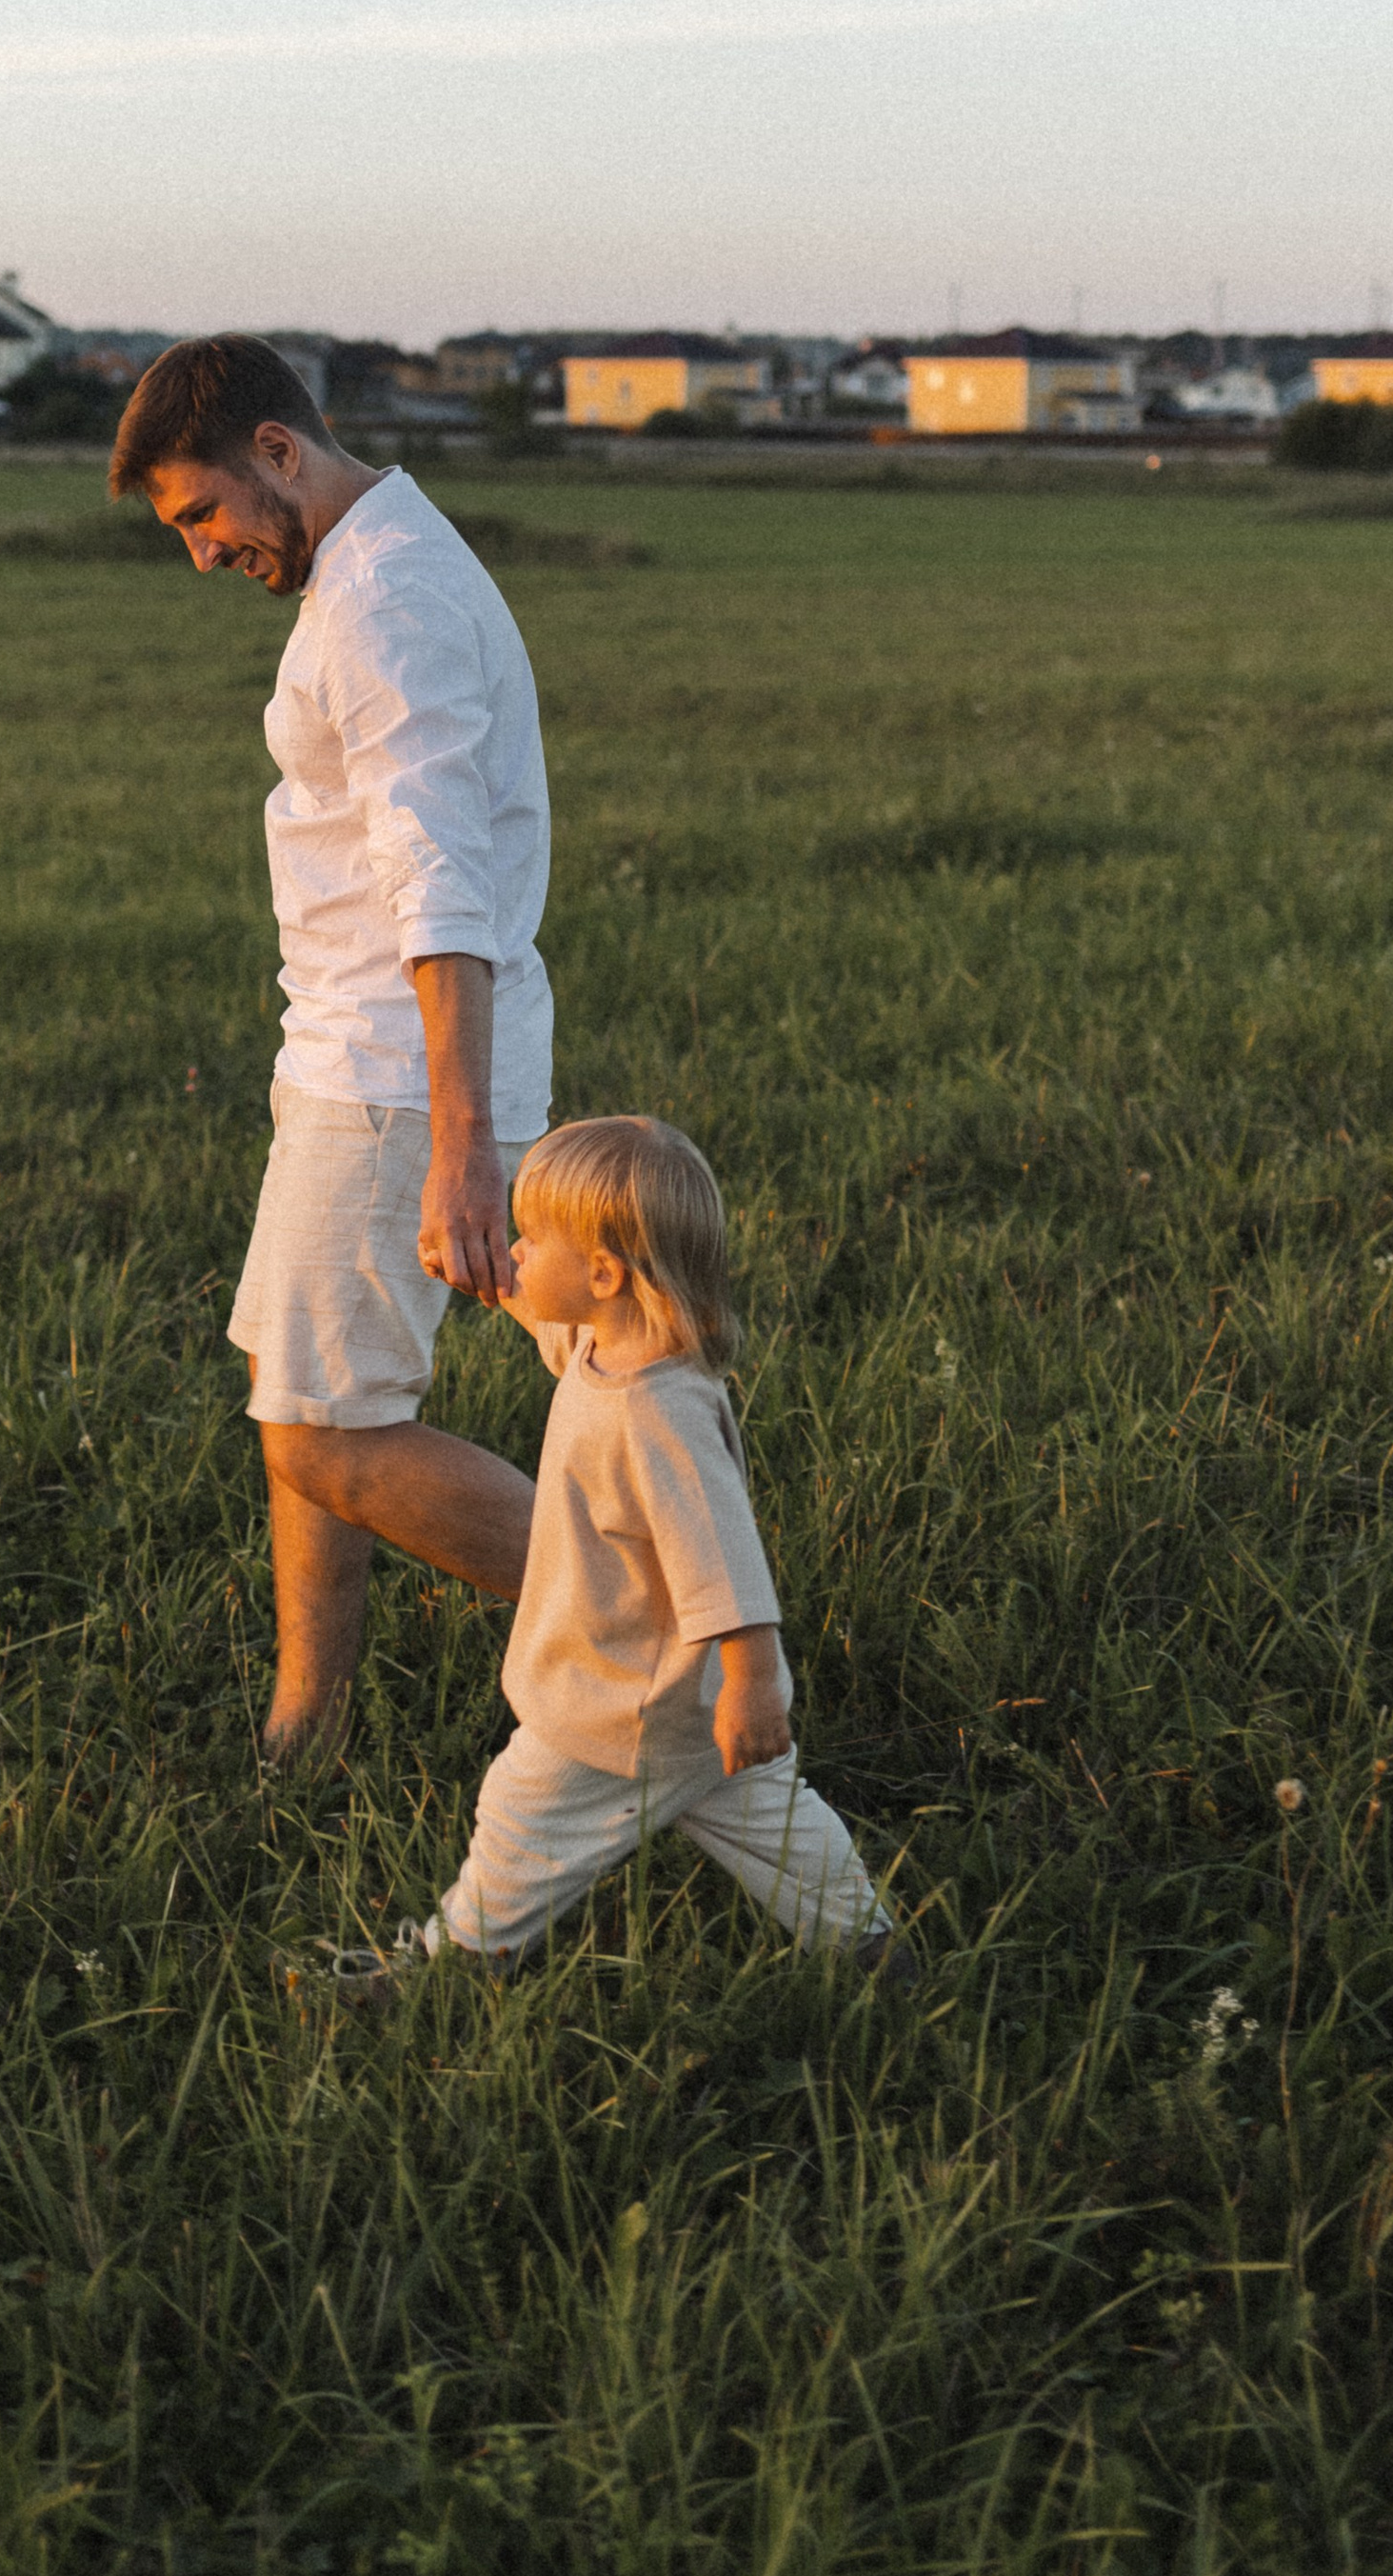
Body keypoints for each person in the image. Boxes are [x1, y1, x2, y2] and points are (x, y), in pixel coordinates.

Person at [111, 333, 552, 1758]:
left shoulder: (386, 600)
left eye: (202, 513)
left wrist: (461, 1143)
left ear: (280, 453)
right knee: (301, 1397)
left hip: (393, 1076)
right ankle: (307, 1730)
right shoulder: (377, 568)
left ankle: (659, 1631)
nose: (200, 555)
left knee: (322, 1432)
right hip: (348, 1061)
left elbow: (443, 877)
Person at [405, 1115, 905, 1976]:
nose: (518, 1251)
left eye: (530, 1240)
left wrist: (752, 1687)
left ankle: (458, 1962)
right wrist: (490, 1277)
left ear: (603, 1273)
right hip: (691, 1702)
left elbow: (725, 1564)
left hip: (618, 1706)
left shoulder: (658, 1415)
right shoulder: (614, 1347)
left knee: (521, 1813)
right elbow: (554, 1331)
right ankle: (865, 1946)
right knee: (780, 1830)